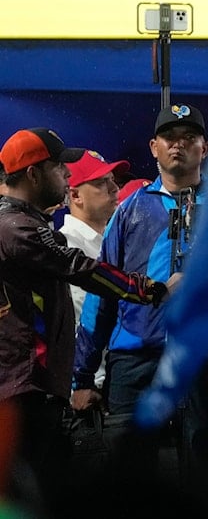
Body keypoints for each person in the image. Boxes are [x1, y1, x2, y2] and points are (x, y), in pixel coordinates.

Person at [71, 105, 208, 519]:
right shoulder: (128, 212)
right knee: (128, 485)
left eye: (188, 136)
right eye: (169, 136)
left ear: (205, 147)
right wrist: (83, 376)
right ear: (154, 147)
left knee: (203, 481)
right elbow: (100, 298)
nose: (178, 143)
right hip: (134, 362)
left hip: (204, 361)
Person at [0, 127, 171, 516]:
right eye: (60, 168)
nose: (65, 176)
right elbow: (79, 267)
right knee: (23, 497)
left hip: (32, 385)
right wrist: (152, 290)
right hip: (23, 386)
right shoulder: (15, 228)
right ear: (33, 174)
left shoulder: (21, 224)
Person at [60, 150, 130, 392]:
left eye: (113, 180)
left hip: (116, 381)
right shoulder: (65, 246)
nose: (114, 189)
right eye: (101, 182)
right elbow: (79, 322)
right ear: (75, 194)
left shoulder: (112, 243)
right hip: (88, 387)